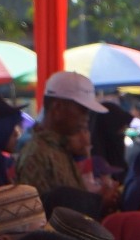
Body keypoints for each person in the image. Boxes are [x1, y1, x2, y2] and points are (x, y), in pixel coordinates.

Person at [8, 73, 104, 201]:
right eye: (82, 109)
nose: (87, 116)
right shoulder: (37, 154)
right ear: (57, 107)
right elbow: (40, 215)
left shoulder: (59, 148)